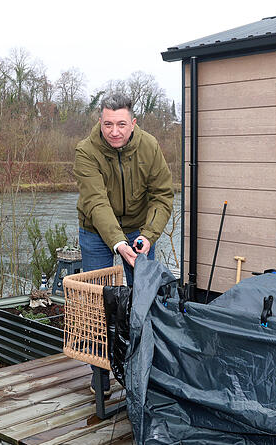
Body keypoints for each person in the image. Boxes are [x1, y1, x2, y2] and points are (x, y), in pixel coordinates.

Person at [74, 92, 173, 396]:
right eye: (108, 124)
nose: (114, 131)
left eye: (120, 124)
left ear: (133, 123)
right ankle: (100, 372)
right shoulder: (86, 151)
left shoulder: (149, 146)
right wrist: (118, 242)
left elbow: (162, 195)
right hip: (96, 230)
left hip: (139, 229)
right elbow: (96, 202)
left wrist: (148, 235)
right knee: (98, 300)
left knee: (143, 297)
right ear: (100, 122)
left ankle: (142, 366)